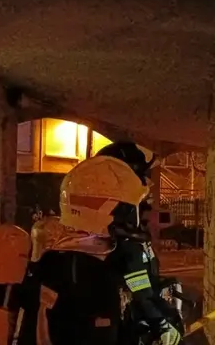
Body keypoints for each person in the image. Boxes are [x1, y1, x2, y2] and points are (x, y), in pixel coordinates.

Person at [16, 141, 183, 344]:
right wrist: (158, 325)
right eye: (128, 210)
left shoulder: (67, 260)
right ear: (108, 209)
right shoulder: (89, 271)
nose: (135, 218)